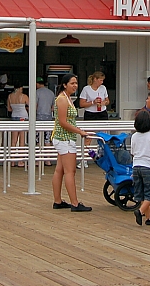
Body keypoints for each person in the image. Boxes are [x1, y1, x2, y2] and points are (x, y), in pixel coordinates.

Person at [51, 74, 91, 212]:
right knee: (70, 171)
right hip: (64, 139)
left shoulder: (66, 98)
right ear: (64, 84)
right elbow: (63, 122)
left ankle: (58, 201)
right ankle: (75, 203)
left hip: (64, 138)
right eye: (72, 83)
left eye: (76, 83)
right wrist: (80, 132)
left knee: (60, 169)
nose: (75, 85)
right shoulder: (62, 99)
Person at [6, 85, 29, 166]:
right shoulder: (24, 96)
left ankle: (12, 161)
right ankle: (20, 161)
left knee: (14, 139)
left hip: (14, 116)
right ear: (20, 88)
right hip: (23, 117)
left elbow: (9, 109)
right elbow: (30, 106)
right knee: (22, 140)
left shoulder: (10, 96)